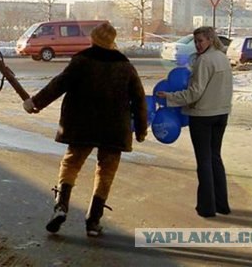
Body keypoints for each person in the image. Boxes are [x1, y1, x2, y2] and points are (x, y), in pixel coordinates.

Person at [23, 22, 147, 237]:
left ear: (94, 38)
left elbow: (58, 84)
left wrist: (36, 102)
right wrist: (141, 130)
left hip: (82, 125)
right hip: (114, 129)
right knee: (105, 172)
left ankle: (61, 206)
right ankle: (93, 221)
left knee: (71, 163)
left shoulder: (82, 60)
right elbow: (139, 99)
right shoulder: (125, 65)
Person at [157, 26, 233, 218]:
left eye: (201, 41)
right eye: (196, 41)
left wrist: (169, 97)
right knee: (215, 157)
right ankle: (222, 204)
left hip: (203, 116)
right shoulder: (222, 57)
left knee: (205, 161)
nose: (198, 45)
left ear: (210, 40)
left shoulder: (204, 60)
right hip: (221, 113)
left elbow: (194, 93)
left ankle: (206, 207)